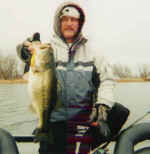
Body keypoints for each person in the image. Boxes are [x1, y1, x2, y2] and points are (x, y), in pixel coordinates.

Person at [16, 2, 117, 154]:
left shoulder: (94, 51)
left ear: (80, 23)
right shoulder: (47, 49)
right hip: (52, 122)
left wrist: (102, 106)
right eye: (65, 19)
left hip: (83, 122)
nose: (69, 23)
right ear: (58, 22)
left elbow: (107, 81)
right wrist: (25, 52)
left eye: (74, 20)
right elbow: (23, 66)